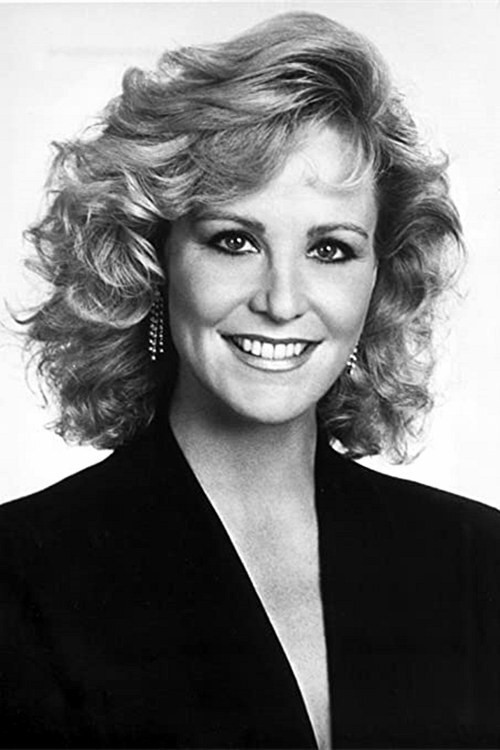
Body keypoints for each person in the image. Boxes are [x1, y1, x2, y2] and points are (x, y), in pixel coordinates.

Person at [1, 10, 499, 749]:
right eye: (235, 241)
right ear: (154, 261)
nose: (282, 300)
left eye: (330, 249)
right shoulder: (21, 576)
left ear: (379, 282)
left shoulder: (478, 560)